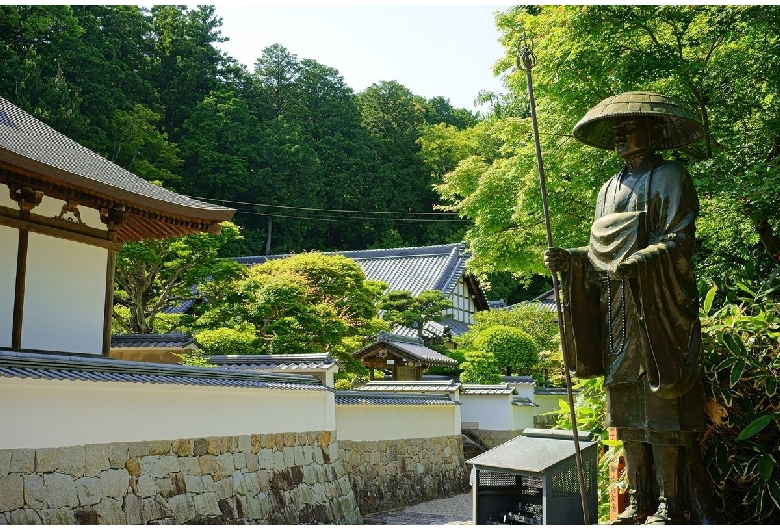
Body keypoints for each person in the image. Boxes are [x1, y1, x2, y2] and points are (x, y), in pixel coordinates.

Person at [544, 91, 715, 524]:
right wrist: (572, 260)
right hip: (615, 308)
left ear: (653, 131)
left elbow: (681, 239)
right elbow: (599, 255)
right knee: (625, 411)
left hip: (657, 306)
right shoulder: (607, 189)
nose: (621, 134)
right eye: (616, 129)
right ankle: (638, 501)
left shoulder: (671, 175)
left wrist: (644, 259)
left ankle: (670, 504)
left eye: (630, 126)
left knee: (663, 409)